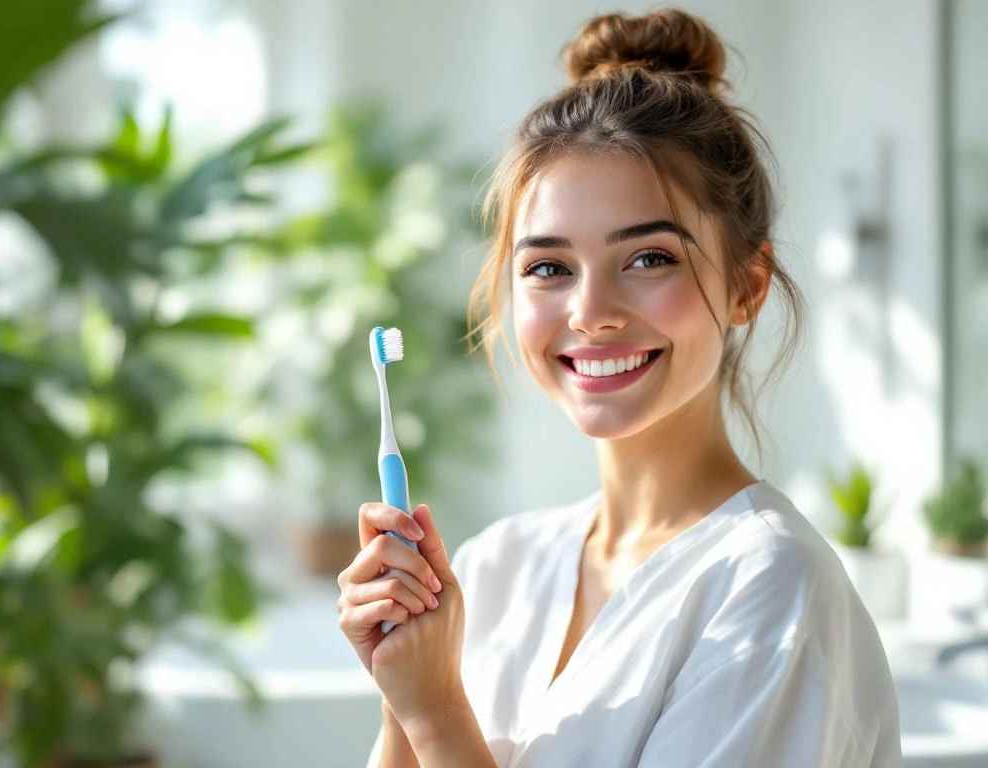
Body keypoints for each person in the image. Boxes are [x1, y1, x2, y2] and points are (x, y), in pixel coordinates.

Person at [337, 8, 901, 767]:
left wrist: (438, 712)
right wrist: (402, 694)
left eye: (648, 259)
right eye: (549, 267)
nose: (591, 313)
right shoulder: (495, 567)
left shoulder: (770, 591)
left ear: (747, 285)